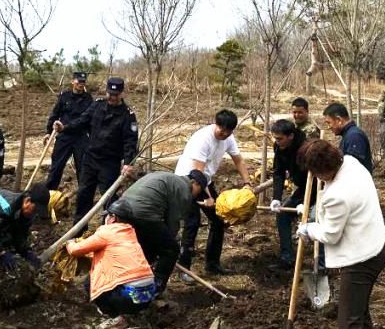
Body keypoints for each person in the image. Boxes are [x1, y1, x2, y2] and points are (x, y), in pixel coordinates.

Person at [295, 139, 385, 329]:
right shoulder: (353, 165)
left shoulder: (338, 194)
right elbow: (332, 205)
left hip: (360, 259)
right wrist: (313, 212)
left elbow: (331, 235)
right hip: (375, 245)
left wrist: (310, 229)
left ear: (321, 171)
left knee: (349, 323)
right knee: (360, 316)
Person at [174, 110, 250, 277]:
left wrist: (247, 182)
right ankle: (184, 267)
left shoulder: (228, 138)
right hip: (187, 182)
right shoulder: (203, 139)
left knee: (219, 219)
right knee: (192, 223)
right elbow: (197, 174)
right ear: (216, 124)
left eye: (228, 131)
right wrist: (208, 198)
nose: (224, 134)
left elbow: (238, 159)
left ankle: (212, 265)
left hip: (205, 181)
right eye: (221, 130)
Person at [108, 169, 208, 294]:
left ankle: (130, 282)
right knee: (171, 250)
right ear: (194, 183)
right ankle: (156, 289)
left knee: (144, 248)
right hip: (143, 213)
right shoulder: (184, 191)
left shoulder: (167, 177)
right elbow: (173, 222)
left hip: (122, 209)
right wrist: (167, 244)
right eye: (200, 190)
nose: (198, 195)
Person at [55, 76, 139, 224]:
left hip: (109, 163)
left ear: (121, 93)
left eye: (115, 95)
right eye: (109, 94)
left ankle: (109, 230)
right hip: (90, 159)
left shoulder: (128, 115)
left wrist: (128, 162)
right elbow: (82, 121)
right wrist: (65, 128)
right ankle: (79, 232)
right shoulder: (97, 105)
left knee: (109, 199)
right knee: (83, 195)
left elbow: (131, 142)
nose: (112, 97)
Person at [66, 214, 157, 329]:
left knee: (90, 283)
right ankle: (130, 311)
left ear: (113, 218)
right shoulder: (130, 232)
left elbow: (76, 250)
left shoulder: (106, 232)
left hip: (129, 297)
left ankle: (116, 318)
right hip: (147, 296)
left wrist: (69, 243)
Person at [267, 119, 310, 270]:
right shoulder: (279, 147)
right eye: (275, 138)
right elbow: (278, 173)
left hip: (319, 187)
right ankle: (287, 259)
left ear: (291, 136)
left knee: (315, 219)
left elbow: (317, 177)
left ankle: (322, 264)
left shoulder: (306, 148)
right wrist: (276, 198)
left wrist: (307, 201)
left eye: (279, 138)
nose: (276, 141)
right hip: (302, 186)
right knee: (283, 214)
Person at [43, 71, 93, 190]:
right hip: (64, 137)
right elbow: (55, 114)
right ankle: (49, 196)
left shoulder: (88, 99)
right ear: (73, 82)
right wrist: (48, 132)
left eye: (83, 82)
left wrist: (93, 140)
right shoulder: (64, 96)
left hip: (81, 138)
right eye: (78, 81)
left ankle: (83, 199)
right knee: (56, 167)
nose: (81, 84)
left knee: (83, 169)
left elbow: (90, 121)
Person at [0, 184, 51, 270]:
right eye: (34, 210)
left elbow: (20, 234)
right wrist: (1, 252)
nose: (34, 214)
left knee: (9, 244)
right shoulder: (5, 207)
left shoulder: (28, 214)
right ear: (28, 200)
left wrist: (26, 251)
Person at [322, 103, 373, 173]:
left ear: (339, 120)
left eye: (329, 123)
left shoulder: (354, 136)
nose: (329, 127)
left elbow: (353, 169)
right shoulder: (348, 134)